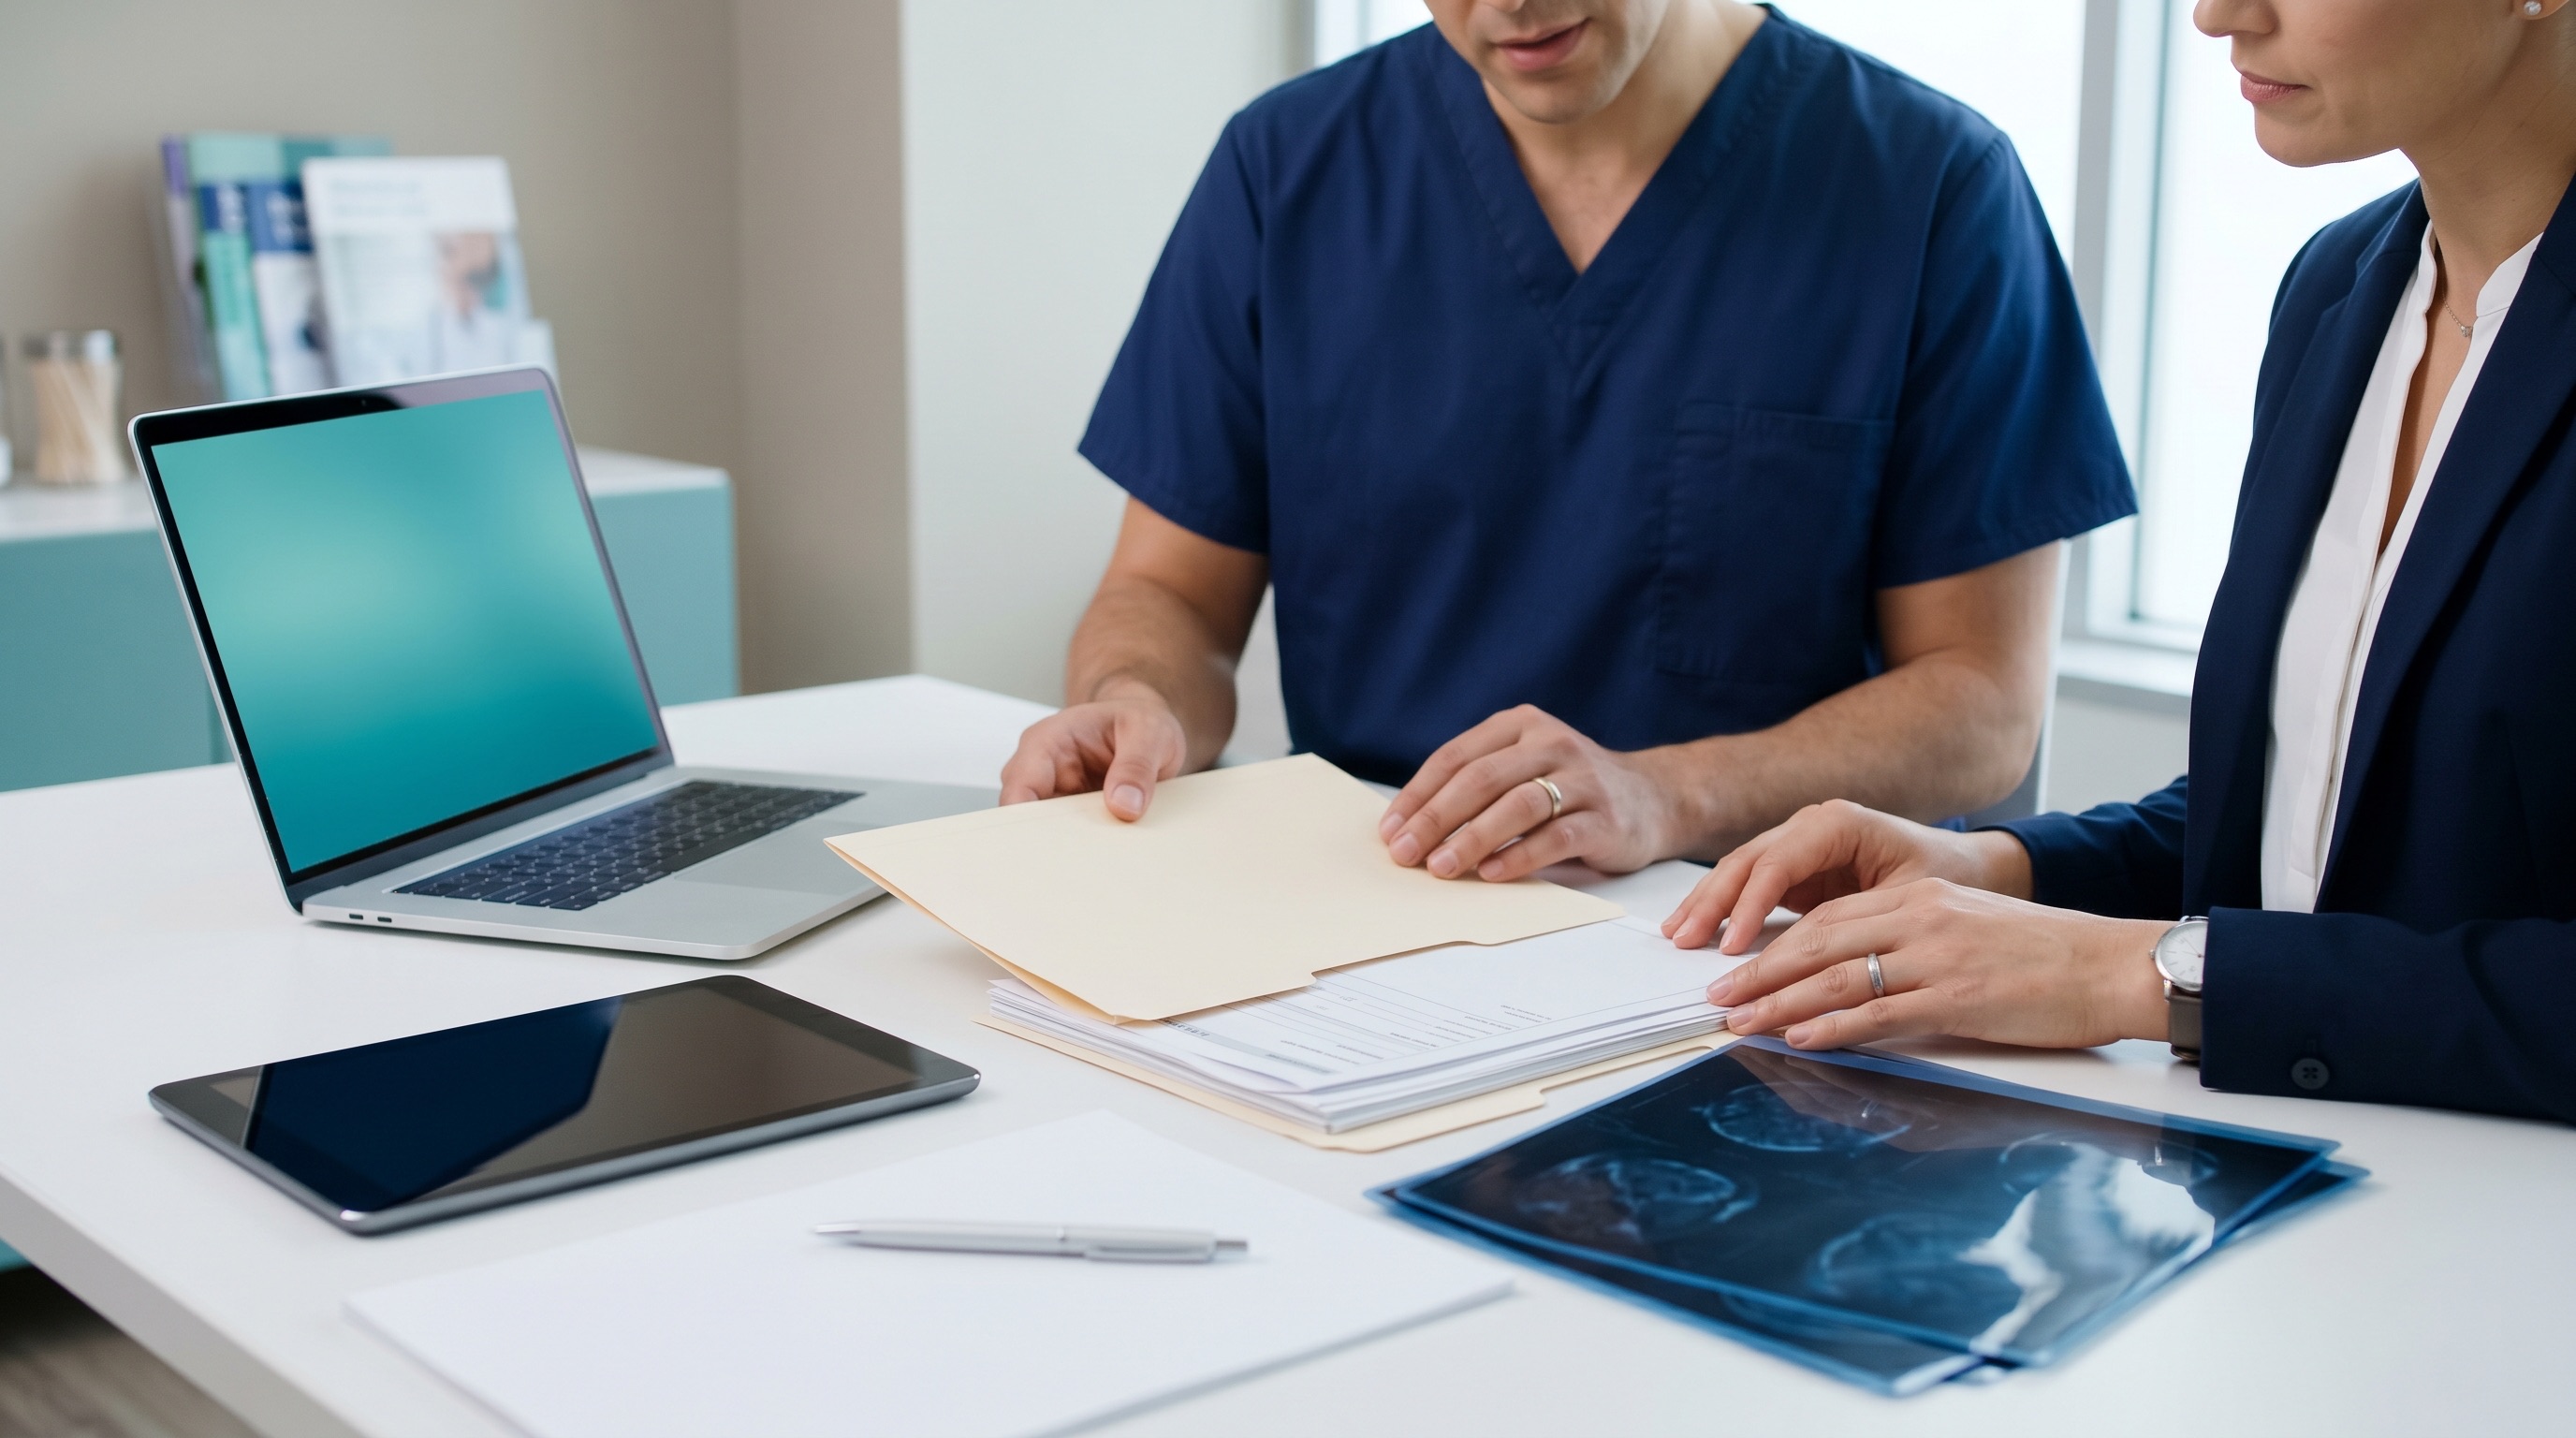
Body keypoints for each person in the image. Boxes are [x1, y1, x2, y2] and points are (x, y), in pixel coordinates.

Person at [1671, 0, 2576, 1123]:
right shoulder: (2342, 289)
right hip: (2312, 1175)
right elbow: (2315, 815)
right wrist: (2001, 874)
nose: (2215, 16)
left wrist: (2135, 975)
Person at [1000, 0, 2135, 882]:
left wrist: (1660, 796)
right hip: (1372, 919)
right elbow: (1172, 595)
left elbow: (1982, 702)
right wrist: (1133, 697)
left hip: (1753, 944)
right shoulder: (1287, 170)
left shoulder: (1926, 185)